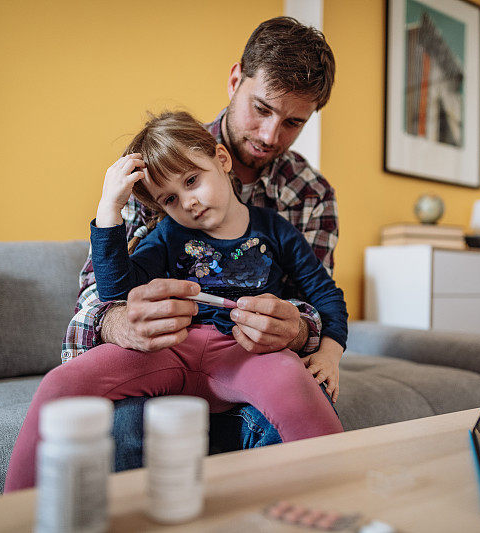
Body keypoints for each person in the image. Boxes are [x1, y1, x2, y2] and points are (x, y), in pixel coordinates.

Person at [4, 111, 347, 491]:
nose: (189, 203)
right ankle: (11, 514)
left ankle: (341, 500)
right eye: (170, 198)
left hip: (245, 353)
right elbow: (117, 293)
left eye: (192, 181)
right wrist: (108, 209)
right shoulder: (168, 233)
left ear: (221, 159)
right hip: (171, 348)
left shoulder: (275, 229)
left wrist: (329, 353)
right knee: (60, 385)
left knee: (298, 387)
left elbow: (326, 294)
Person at [61, 16, 339, 468]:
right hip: (165, 360)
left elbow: (318, 302)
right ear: (235, 80)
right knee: (125, 426)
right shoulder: (159, 167)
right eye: (262, 109)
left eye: (293, 122)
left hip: (253, 364)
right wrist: (121, 324)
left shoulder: (311, 194)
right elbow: (97, 298)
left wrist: (301, 330)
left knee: (302, 425)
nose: (271, 136)